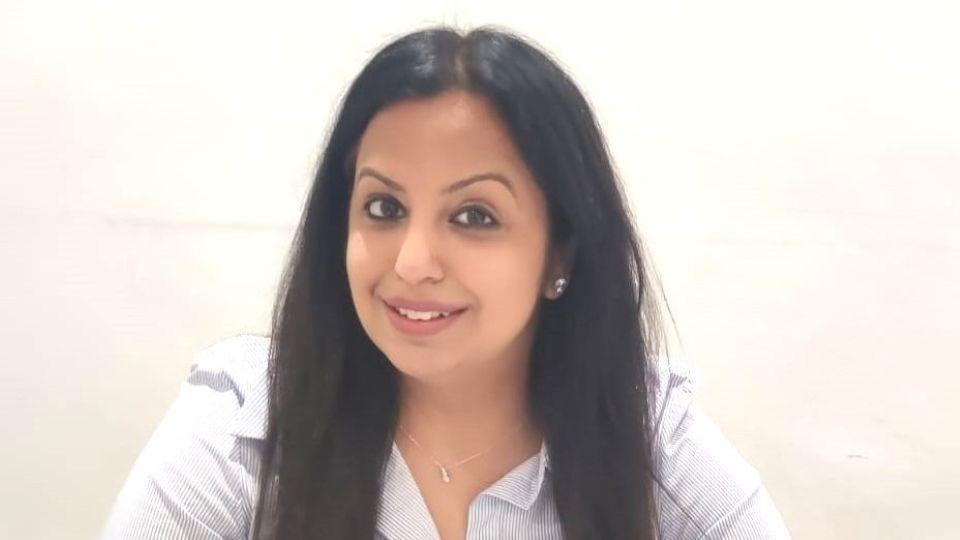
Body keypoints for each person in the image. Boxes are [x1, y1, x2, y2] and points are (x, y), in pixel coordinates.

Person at [102, 25, 791, 539]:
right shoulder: (245, 424)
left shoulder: (649, 438)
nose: (412, 262)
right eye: (383, 208)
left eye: (474, 216)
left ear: (560, 254)